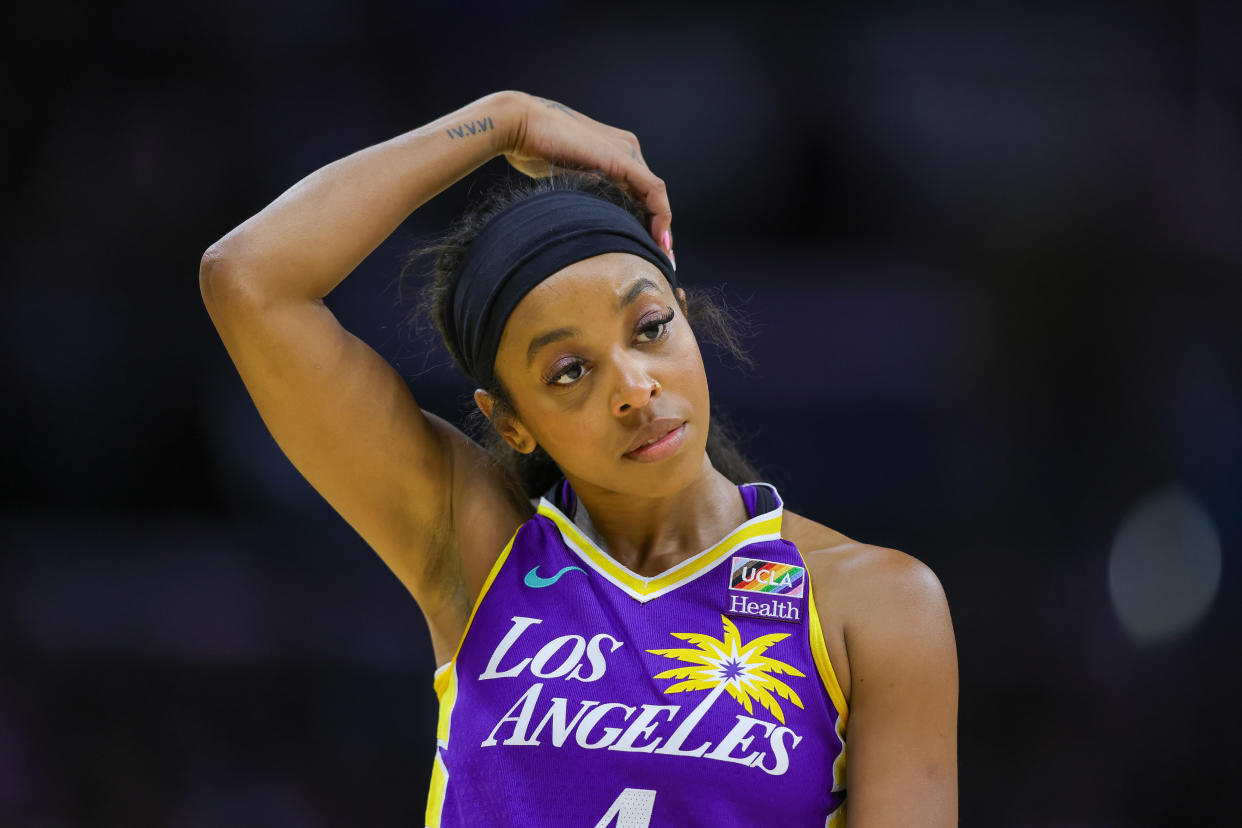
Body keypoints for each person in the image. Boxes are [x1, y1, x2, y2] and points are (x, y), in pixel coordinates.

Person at [200, 90, 958, 827]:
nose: (634, 388)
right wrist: (503, 119)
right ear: (513, 422)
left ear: (686, 319)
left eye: (651, 327)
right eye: (569, 372)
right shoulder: (483, 553)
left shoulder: (875, 604)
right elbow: (249, 279)